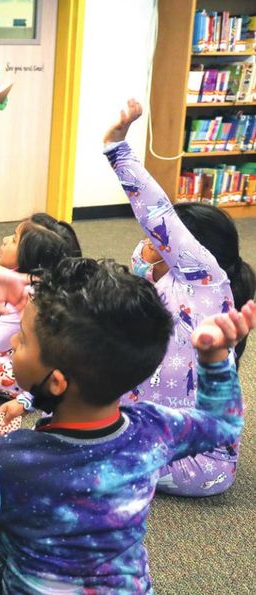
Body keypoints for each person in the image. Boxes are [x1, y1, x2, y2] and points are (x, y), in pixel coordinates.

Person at [0, 257, 248, 593]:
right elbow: (222, 426)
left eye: (22, 337)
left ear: (56, 383)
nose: (15, 345)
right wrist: (215, 360)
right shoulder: (153, 430)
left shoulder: (3, 457)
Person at [103, 98, 255, 496]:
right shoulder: (173, 281)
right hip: (162, 428)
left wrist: (118, 151)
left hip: (199, 461)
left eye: (159, 243)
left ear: (192, 249)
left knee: (82, 451)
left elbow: (158, 215)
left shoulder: (206, 280)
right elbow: (138, 267)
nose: (147, 244)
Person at [0, 213, 78, 401]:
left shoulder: (27, 295)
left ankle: (28, 394)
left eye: (13, 240)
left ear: (29, 258)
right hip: (21, 347)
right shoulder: (19, 277)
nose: (4, 240)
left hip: (32, 366)